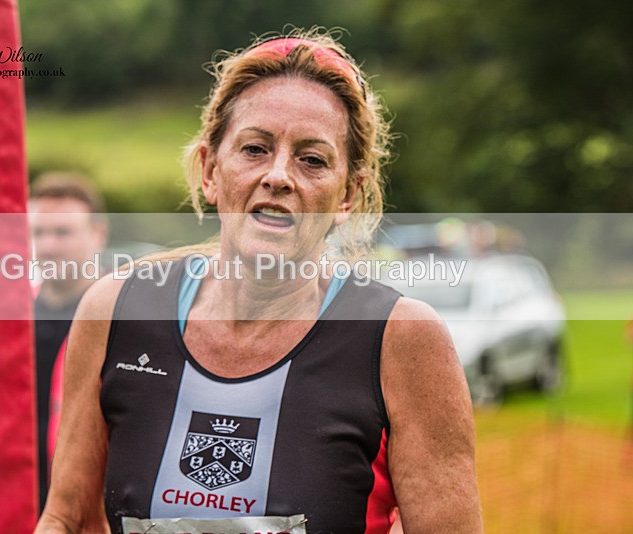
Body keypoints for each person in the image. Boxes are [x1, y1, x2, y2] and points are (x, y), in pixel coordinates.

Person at [36, 28, 482, 533]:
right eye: (254, 149)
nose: (279, 176)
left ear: (346, 196)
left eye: (312, 160)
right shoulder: (116, 309)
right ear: (210, 170)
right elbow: (67, 519)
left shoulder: (401, 338)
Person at [29, 172, 108, 513]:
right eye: (38, 233)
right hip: (18, 503)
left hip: (89, 508)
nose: (48, 245)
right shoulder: (9, 322)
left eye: (63, 232)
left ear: (98, 234)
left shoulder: (123, 319)